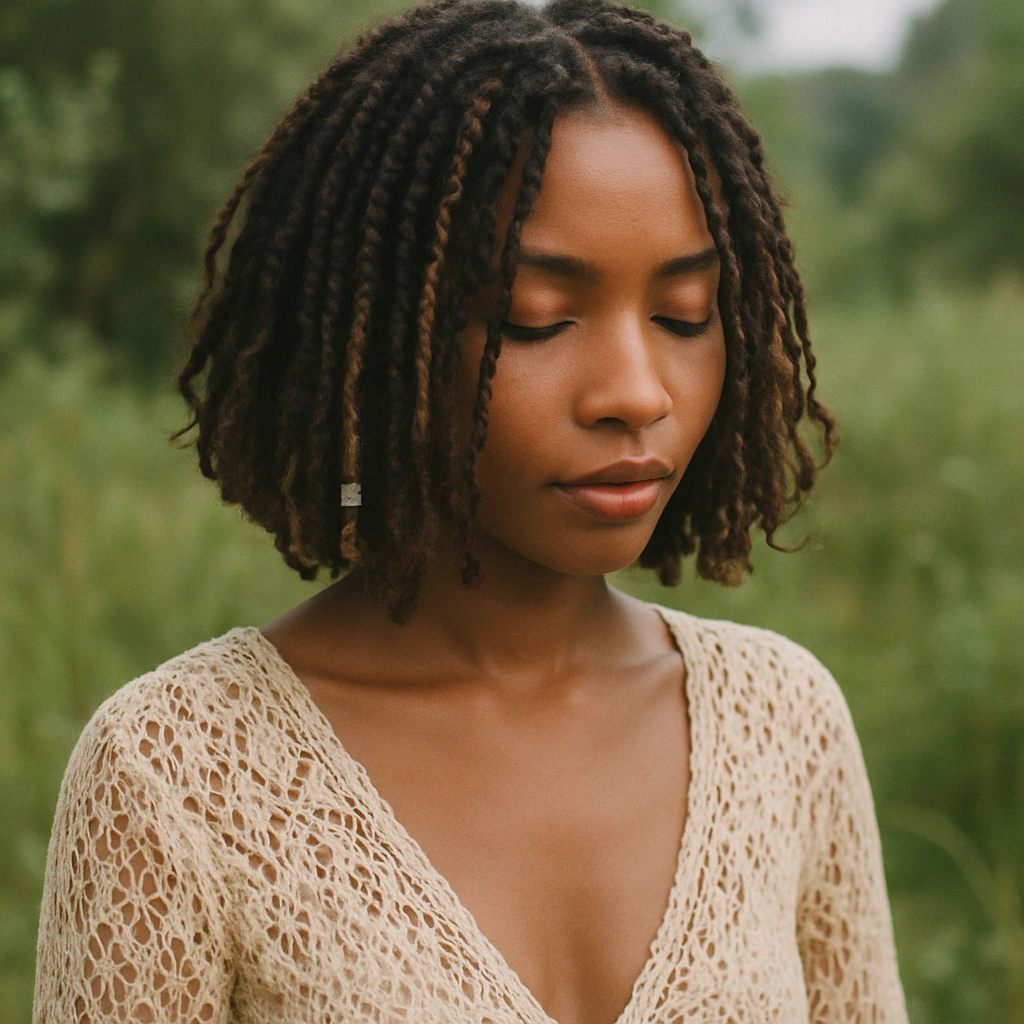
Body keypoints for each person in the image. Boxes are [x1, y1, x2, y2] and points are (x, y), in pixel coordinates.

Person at [32, 1, 908, 1021]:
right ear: (372, 342)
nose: (635, 390)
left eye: (682, 315)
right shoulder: (173, 773)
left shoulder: (784, 726)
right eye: (534, 321)